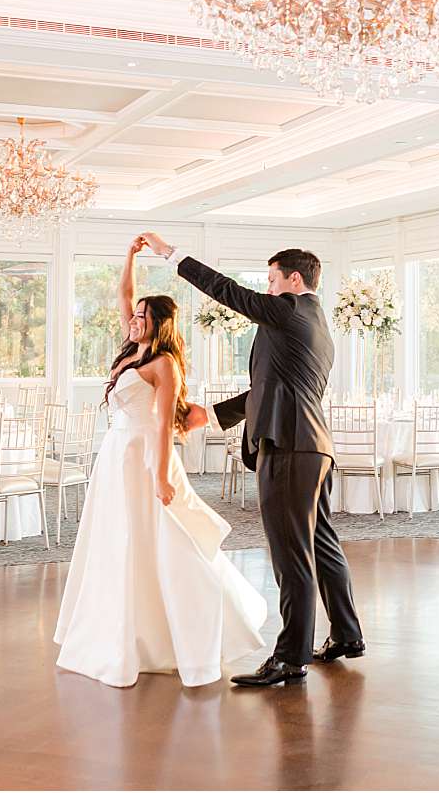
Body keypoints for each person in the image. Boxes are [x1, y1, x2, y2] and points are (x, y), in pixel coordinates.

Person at [140, 231, 365, 687]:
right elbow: (273, 386)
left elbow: (227, 291)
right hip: (314, 448)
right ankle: (346, 634)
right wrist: (213, 415)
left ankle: (290, 658)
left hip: (288, 447)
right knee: (321, 543)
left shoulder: (289, 309)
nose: (267, 289)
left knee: (291, 554)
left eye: (272, 280)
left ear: (294, 280)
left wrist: (171, 254)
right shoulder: (317, 323)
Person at [53, 236, 266, 687]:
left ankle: (189, 629)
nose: (133, 320)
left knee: (162, 538)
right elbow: (123, 295)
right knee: (118, 538)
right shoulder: (132, 348)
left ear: (158, 324)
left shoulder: (164, 363)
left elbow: (164, 424)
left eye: (142, 317)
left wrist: (163, 476)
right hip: (115, 454)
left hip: (144, 455)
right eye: (133, 316)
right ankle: (121, 626)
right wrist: (128, 256)